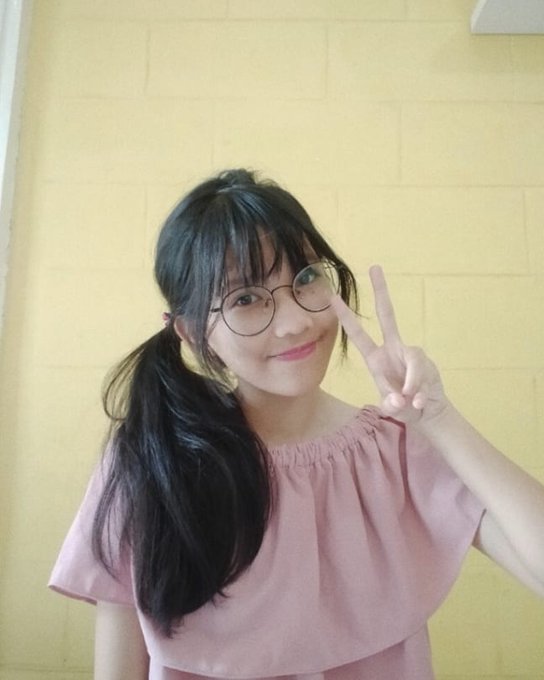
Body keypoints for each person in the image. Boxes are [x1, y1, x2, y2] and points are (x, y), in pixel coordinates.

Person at [49, 168, 544, 680]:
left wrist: (439, 419)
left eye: (306, 278)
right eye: (246, 299)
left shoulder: (395, 451)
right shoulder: (153, 459)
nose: (296, 322)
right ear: (192, 331)